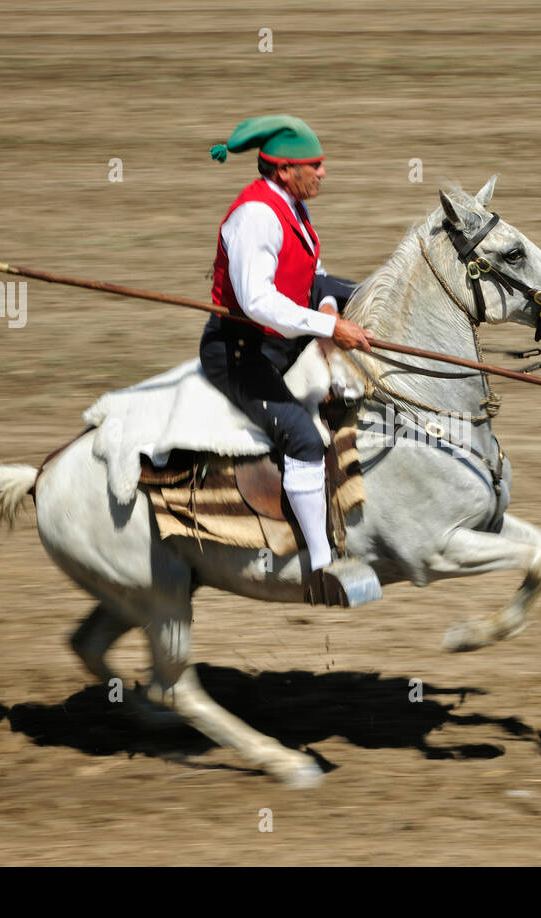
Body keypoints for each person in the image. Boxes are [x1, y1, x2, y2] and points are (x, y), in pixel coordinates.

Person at [202, 114, 378, 606]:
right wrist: (330, 327)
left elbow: (311, 277)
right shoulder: (256, 214)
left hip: (282, 340)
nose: (323, 173)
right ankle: (322, 569)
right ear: (283, 169)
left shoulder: (292, 206)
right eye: (314, 165)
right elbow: (257, 301)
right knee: (302, 438)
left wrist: (328, 308)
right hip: (242, 351)